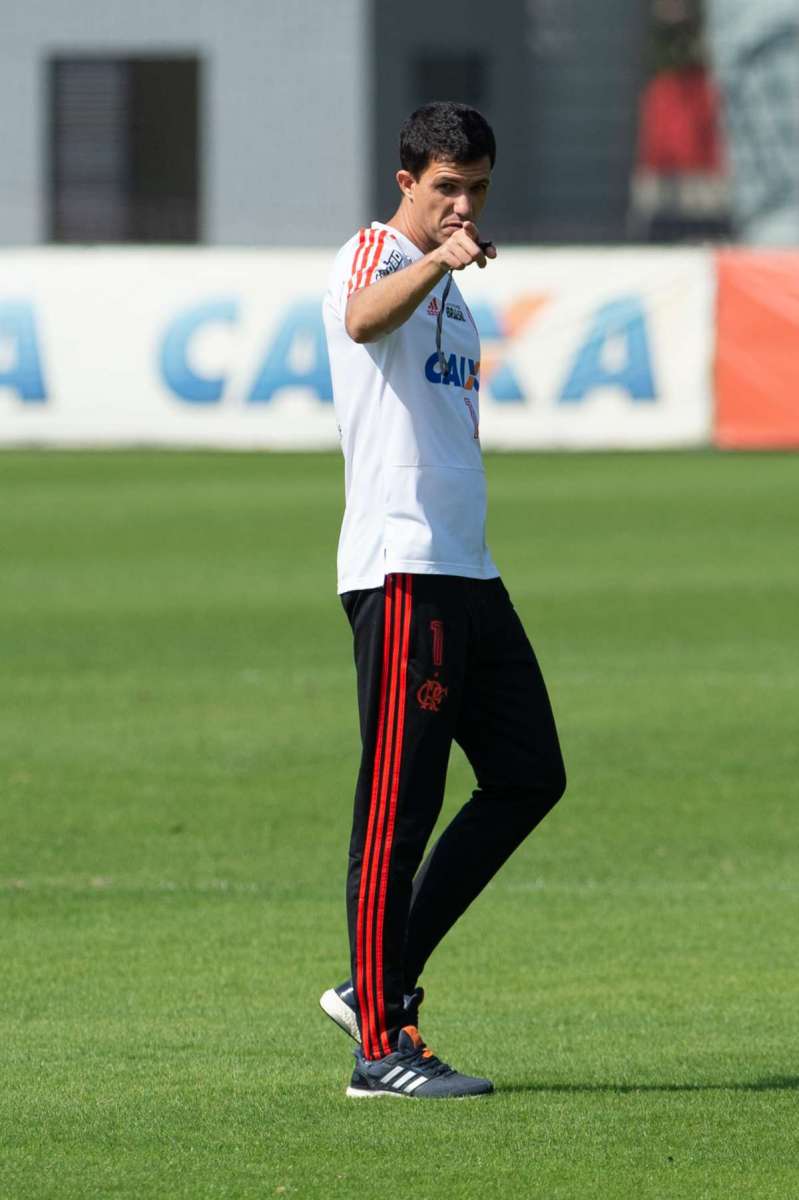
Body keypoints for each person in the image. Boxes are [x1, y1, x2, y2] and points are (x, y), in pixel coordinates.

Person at [320, 101, 566, 1099]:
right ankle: (380, 1048)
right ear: (405, 182)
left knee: (527, 774)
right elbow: (361, 318)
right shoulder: (377, 252)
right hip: (403, 568)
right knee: (398, 807)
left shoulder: (451, 290)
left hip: (466, 569)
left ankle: (368, 981)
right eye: (445, 188)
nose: (462, 205)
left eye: (476, 189)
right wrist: (436, 261)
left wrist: (448, 272)